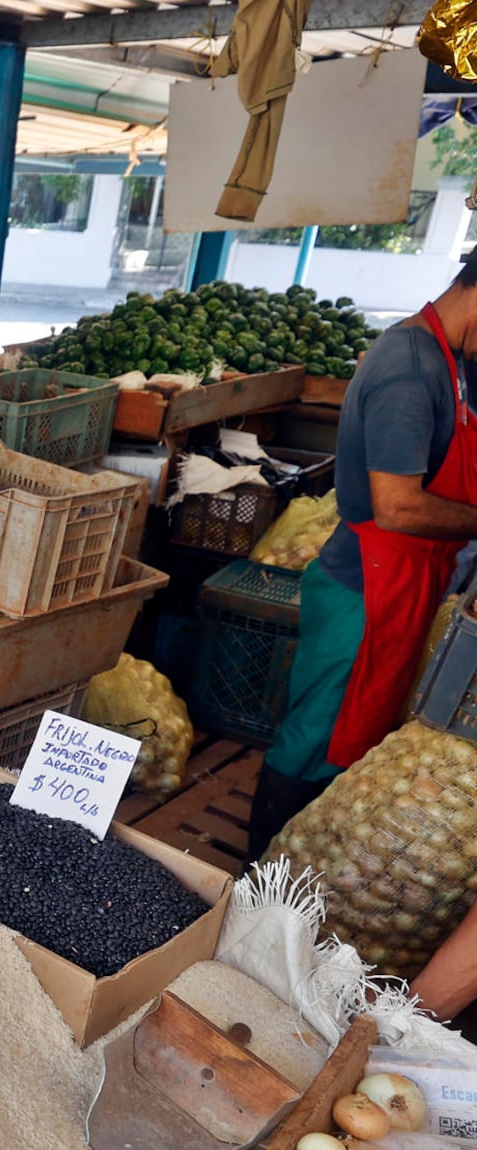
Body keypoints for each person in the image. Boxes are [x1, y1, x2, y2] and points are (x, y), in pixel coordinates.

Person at [254, 261, 477, 866]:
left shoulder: (451, 356)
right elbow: (399, 506)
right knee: (316, 739)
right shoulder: (411, 368)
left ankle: (312, 867)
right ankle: (254, 879)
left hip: (403, 581)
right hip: (368, 586)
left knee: (349, 732)